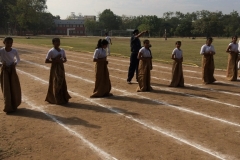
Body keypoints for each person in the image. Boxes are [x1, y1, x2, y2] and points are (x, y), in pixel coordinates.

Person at [45, 38, 71, 104]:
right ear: (53, 43)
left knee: (62, 81)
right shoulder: (51, 51)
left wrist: (63, 61)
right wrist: (55, 61)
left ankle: (63, 98)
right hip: (54, 68)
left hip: (61, 67)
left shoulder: (62, 50)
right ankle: (55, 98)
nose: (58, 43)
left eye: (59, 42)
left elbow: (65, 59)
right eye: (56, 42)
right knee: (56, 82)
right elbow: (46, 61)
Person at [0, 37, 21, 113]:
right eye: (7, 43)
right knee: (6, 89)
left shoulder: (14, 51)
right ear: (4, 42)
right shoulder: (1, 51)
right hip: (5, 70)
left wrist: (15, 63)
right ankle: (8, 106)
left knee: (14, 87)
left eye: (11, 43)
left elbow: (18, 59)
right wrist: (2, 64)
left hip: (12, 70)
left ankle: (14, 104)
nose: (9, 44)